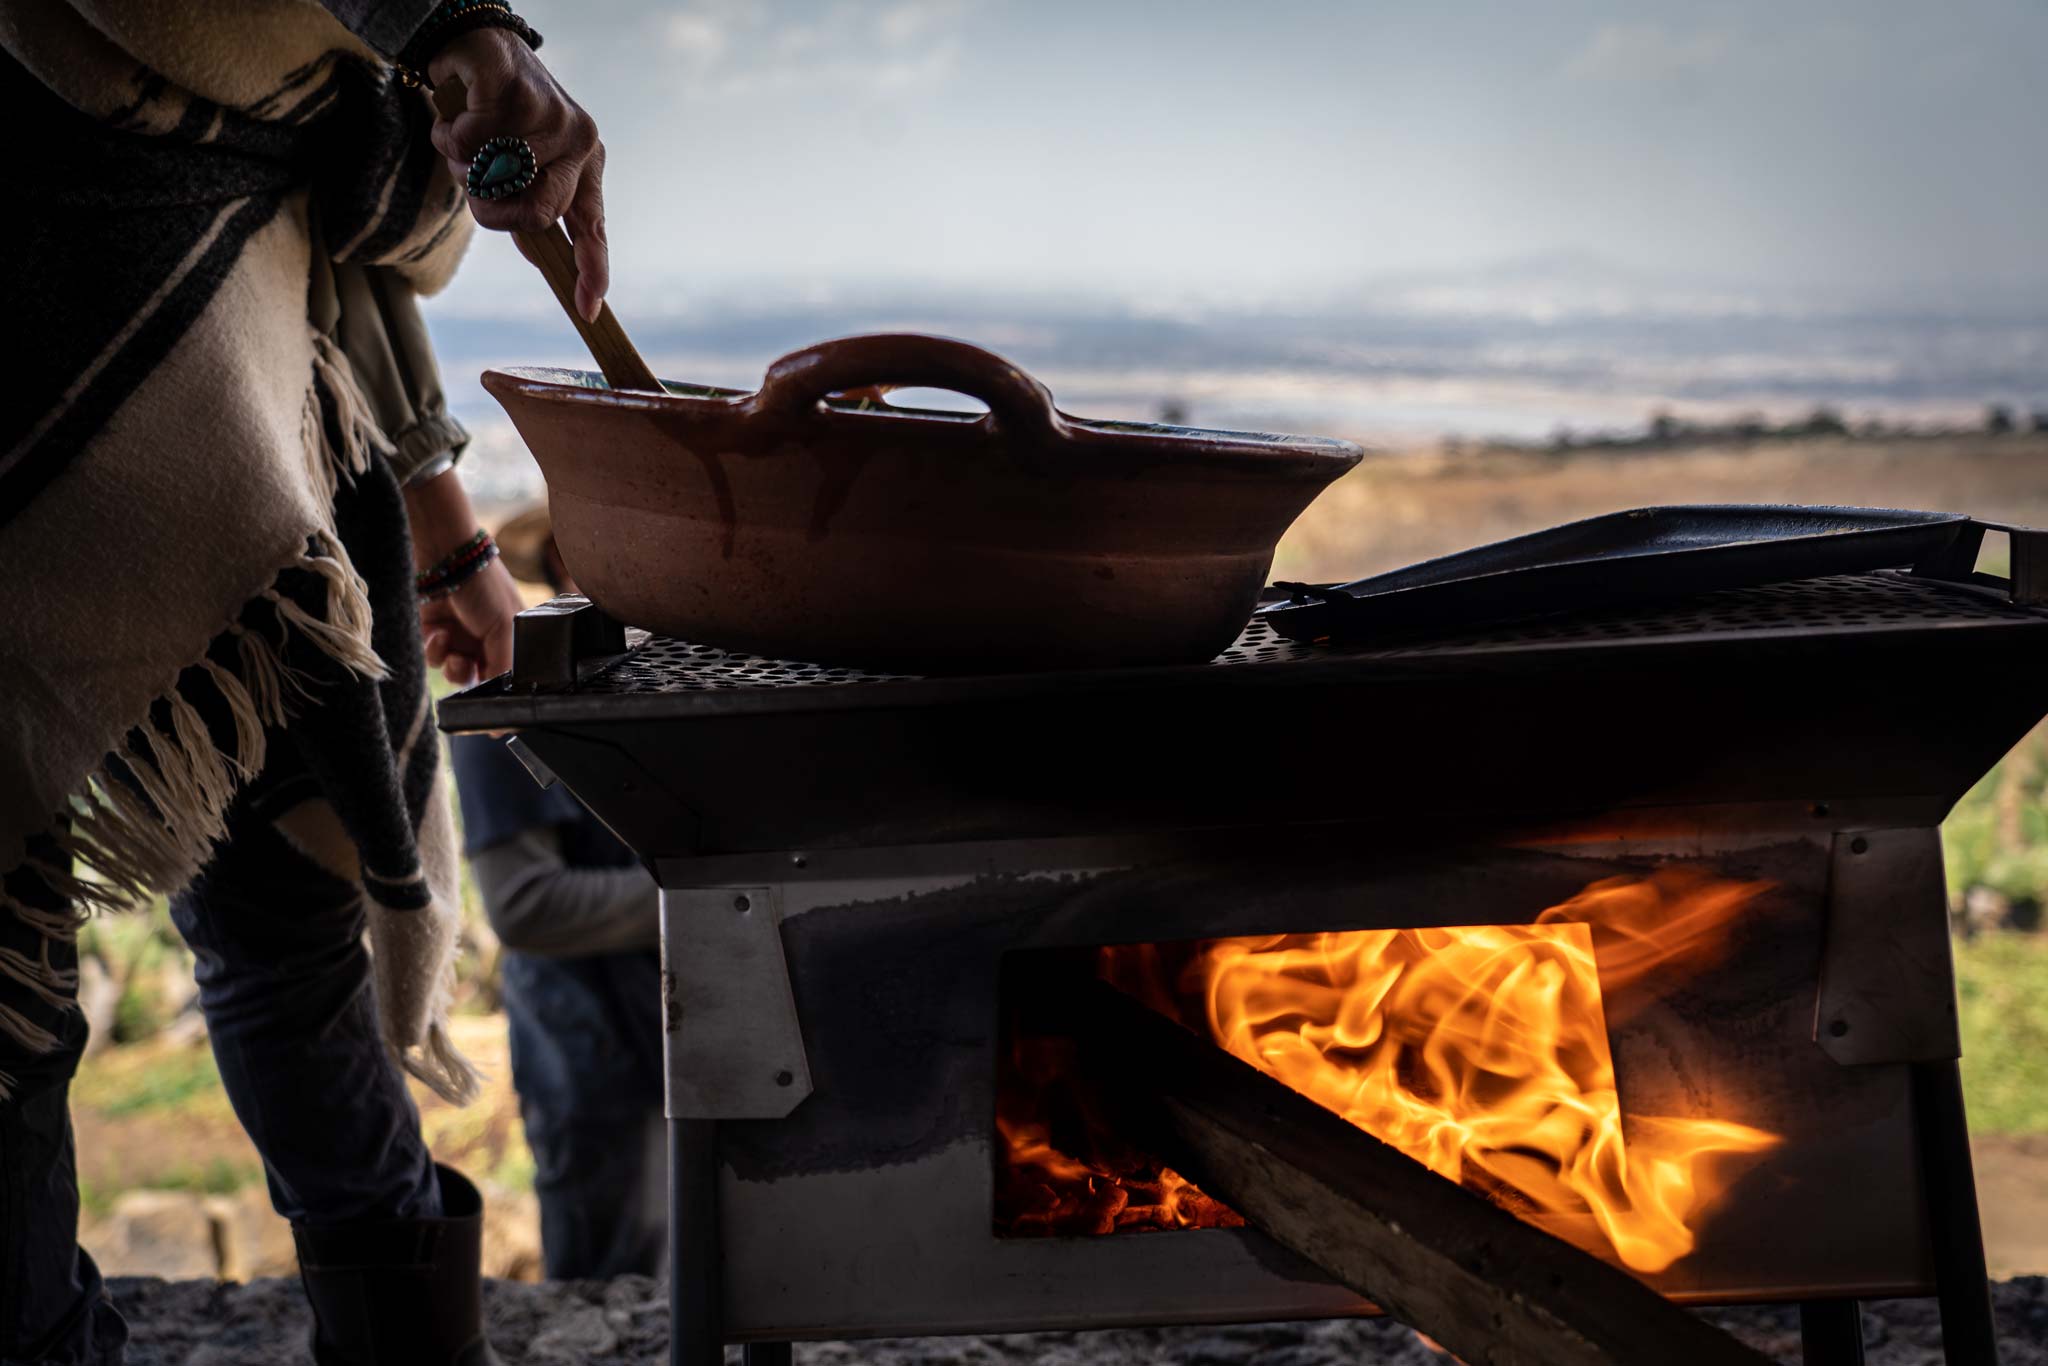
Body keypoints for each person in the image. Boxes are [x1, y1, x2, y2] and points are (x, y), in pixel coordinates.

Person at [1, 4, 610, 1361]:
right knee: (48, 978)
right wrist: (460, 30)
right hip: (133, 411)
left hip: (258, 452)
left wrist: (447, 527)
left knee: (283, 916)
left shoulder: (320, 103)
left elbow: (324, 264)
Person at [450, 505, 667, 1280]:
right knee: (607, 1283)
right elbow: (525, 905)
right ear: (559, 568)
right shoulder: (508, 709)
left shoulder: (658, 684)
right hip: (589, 1062)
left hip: (670, 1040)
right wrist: (702, 896)